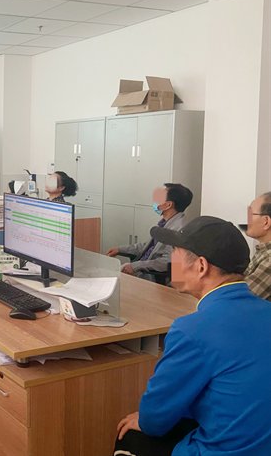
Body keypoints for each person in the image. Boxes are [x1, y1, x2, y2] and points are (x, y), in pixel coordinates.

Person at [113, 216, 271, 456]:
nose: (171, 261)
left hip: (222, 450)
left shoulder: (193, 330)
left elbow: (155, 419)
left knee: (130, 436)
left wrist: (145, 420)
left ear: (201, 266)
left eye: (175, 253)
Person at [107, 183, 192, 278]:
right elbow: (146, 247)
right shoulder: (164, 223)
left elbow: (168, 262)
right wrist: (120, 249)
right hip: (141, 269)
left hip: (151, 277)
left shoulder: (179, 229)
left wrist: (135, 266)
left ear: (168, 205)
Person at [243, 191, 271, 300]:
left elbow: (240, 299)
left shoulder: (269, 260)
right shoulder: (263, 251)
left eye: (250, 214)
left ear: (266, 222)